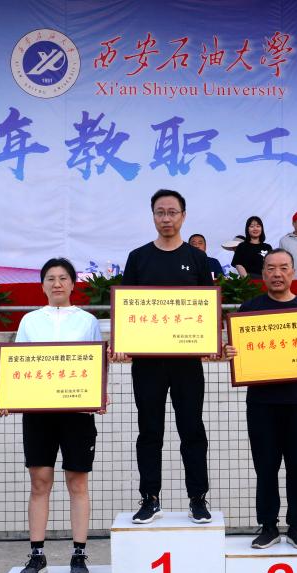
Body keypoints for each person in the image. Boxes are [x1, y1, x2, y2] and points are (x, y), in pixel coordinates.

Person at [224, 249, 297, 550]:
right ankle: (268, 526)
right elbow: (239, 350)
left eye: (283, 268)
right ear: (263, 273)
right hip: (261, 403)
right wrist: (232, 352)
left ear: (292, 272)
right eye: (270, 268)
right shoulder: (249, 309)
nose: (277, 274)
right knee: (265, 467)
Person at [0, 258, 103, 573]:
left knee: (77, 482)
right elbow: (18, 365)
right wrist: (8, 398)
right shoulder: (30, 320)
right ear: (42, 285)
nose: (57, 284)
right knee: (40, 481)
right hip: (38, 414)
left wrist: (99, 396)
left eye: (63, 278)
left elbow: (96, 363)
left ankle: (79, 553)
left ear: (73, 284)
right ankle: (37, 554)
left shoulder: (87, 320)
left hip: (77, 414)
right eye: (51, 278)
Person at [118, 188, 214, 524]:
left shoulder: (197, 259)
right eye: (160, 212)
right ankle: (150, 498)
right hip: (147, 363)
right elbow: (127, 309)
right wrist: (122, 341)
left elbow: (207, 308)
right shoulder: (138, 258)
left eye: (172, 212)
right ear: (153, 216)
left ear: (183, 216)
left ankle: (198, 498)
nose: (166, 218)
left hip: (187, 362)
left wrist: (210, 341)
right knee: (149, 431)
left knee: (192, 429)